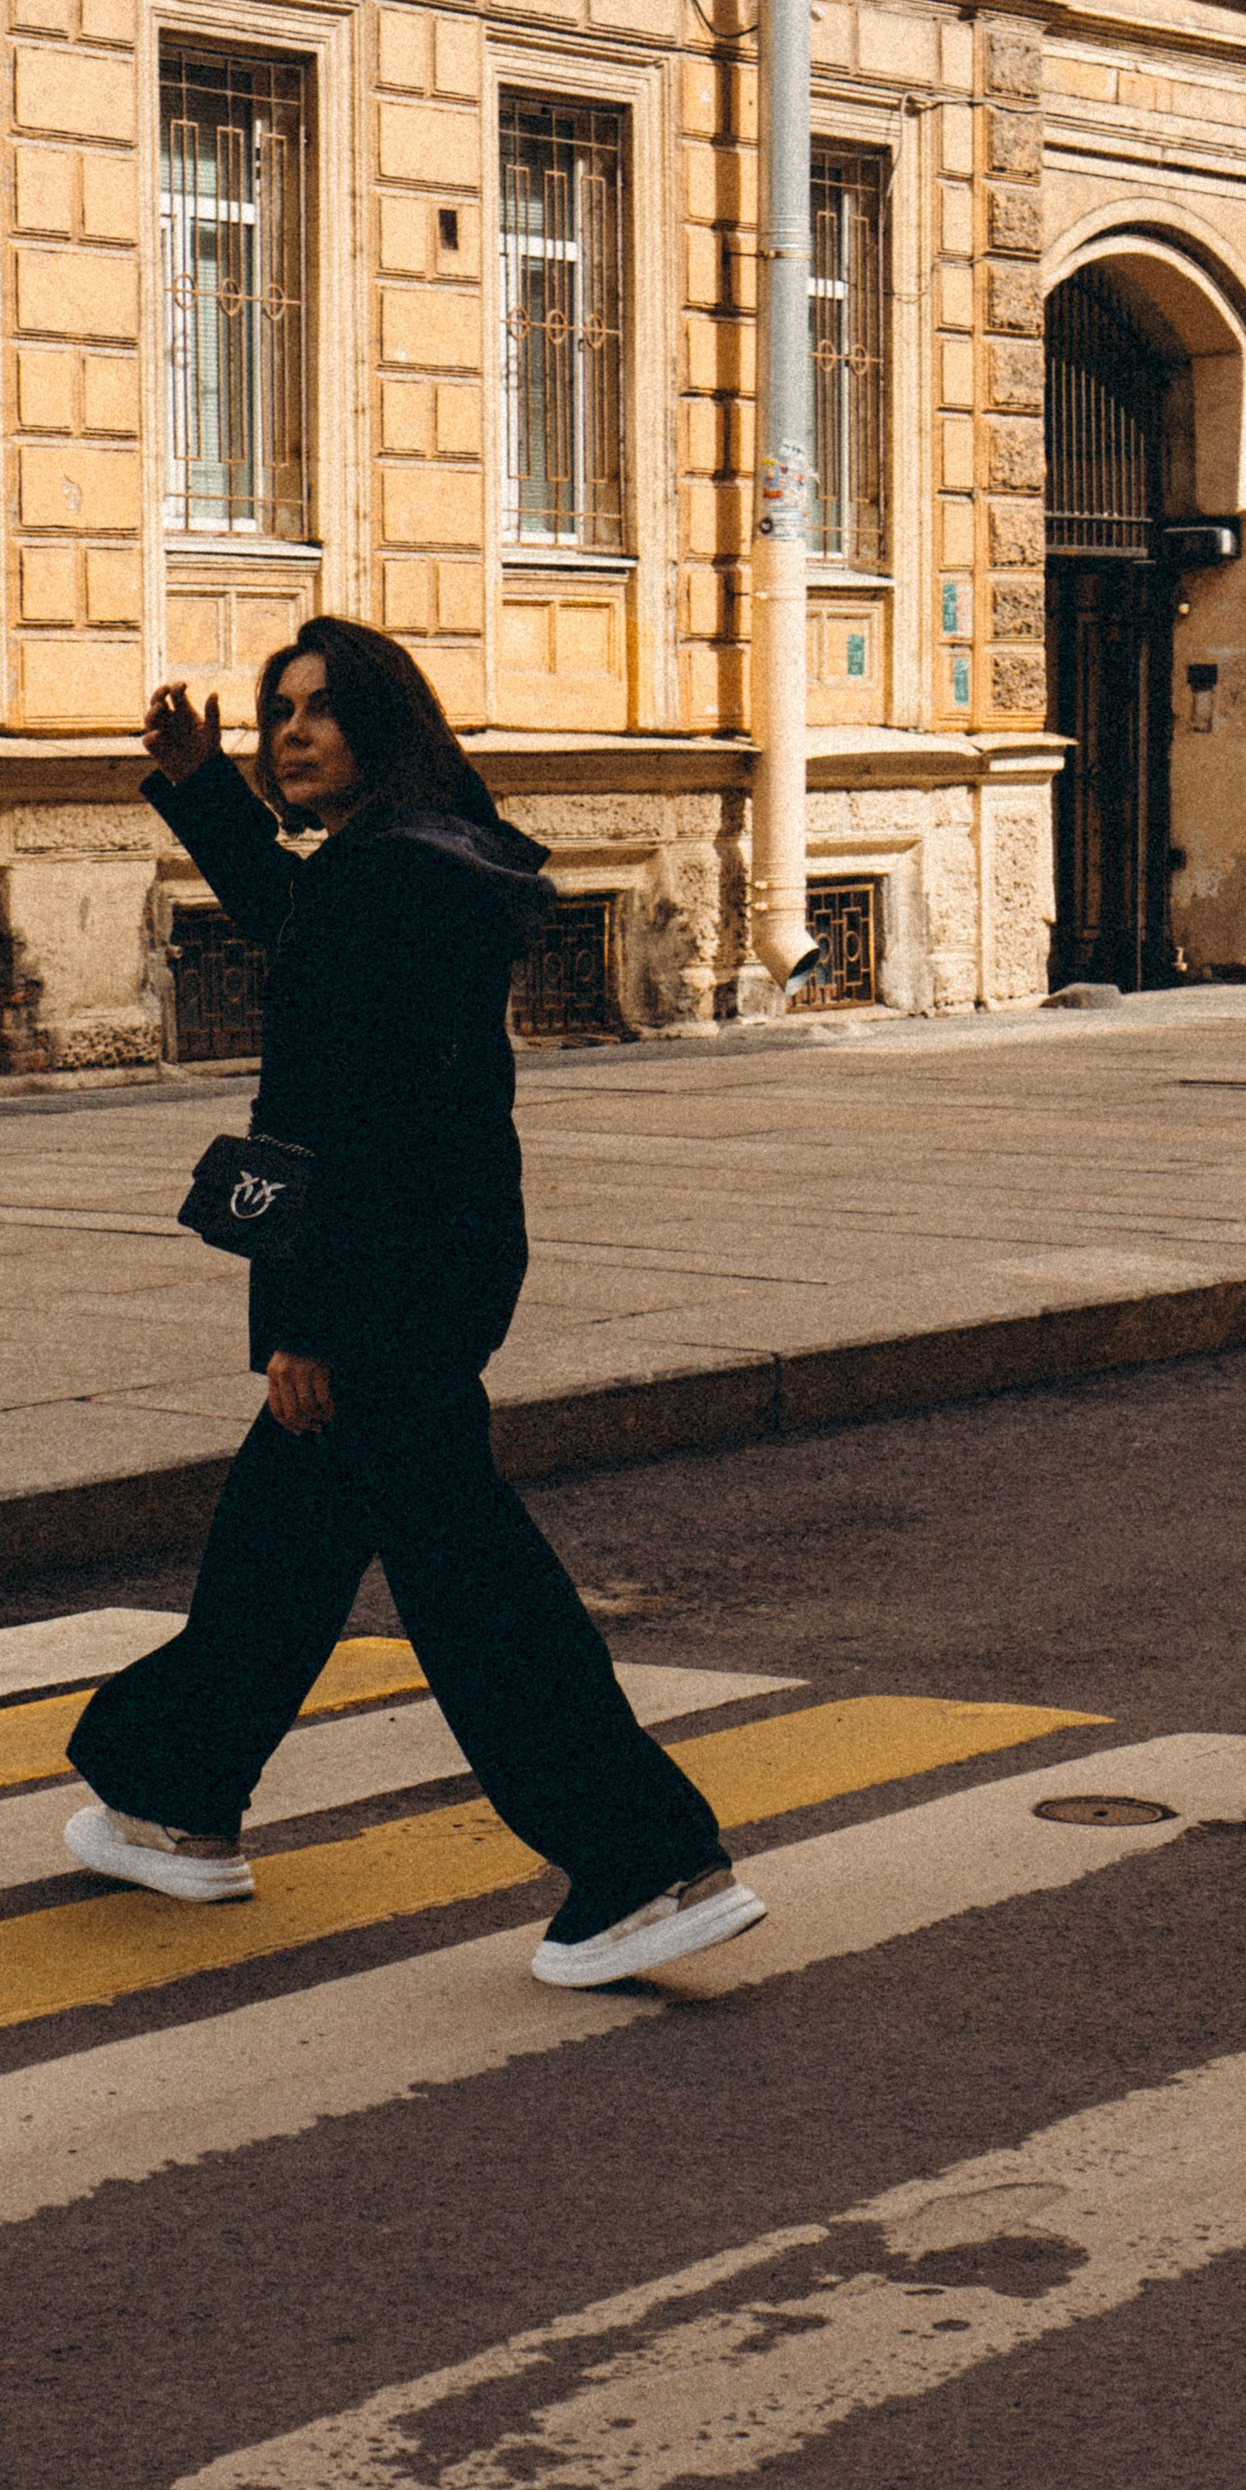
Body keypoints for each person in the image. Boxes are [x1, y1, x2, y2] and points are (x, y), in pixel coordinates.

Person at [63, 617, 766, 1987]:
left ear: (386, 725)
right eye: (278, 715)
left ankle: (643, 1861)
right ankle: (175, 1793)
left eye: (322, 711)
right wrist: (204, 785)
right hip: (438, 1257)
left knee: (469, 1582)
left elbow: (336, 1119)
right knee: (283, 1546)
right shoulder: (420, 857)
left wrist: (300, 1328)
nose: (293, 733)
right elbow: (294, 919)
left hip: (376, 1279)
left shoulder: (386, 883)